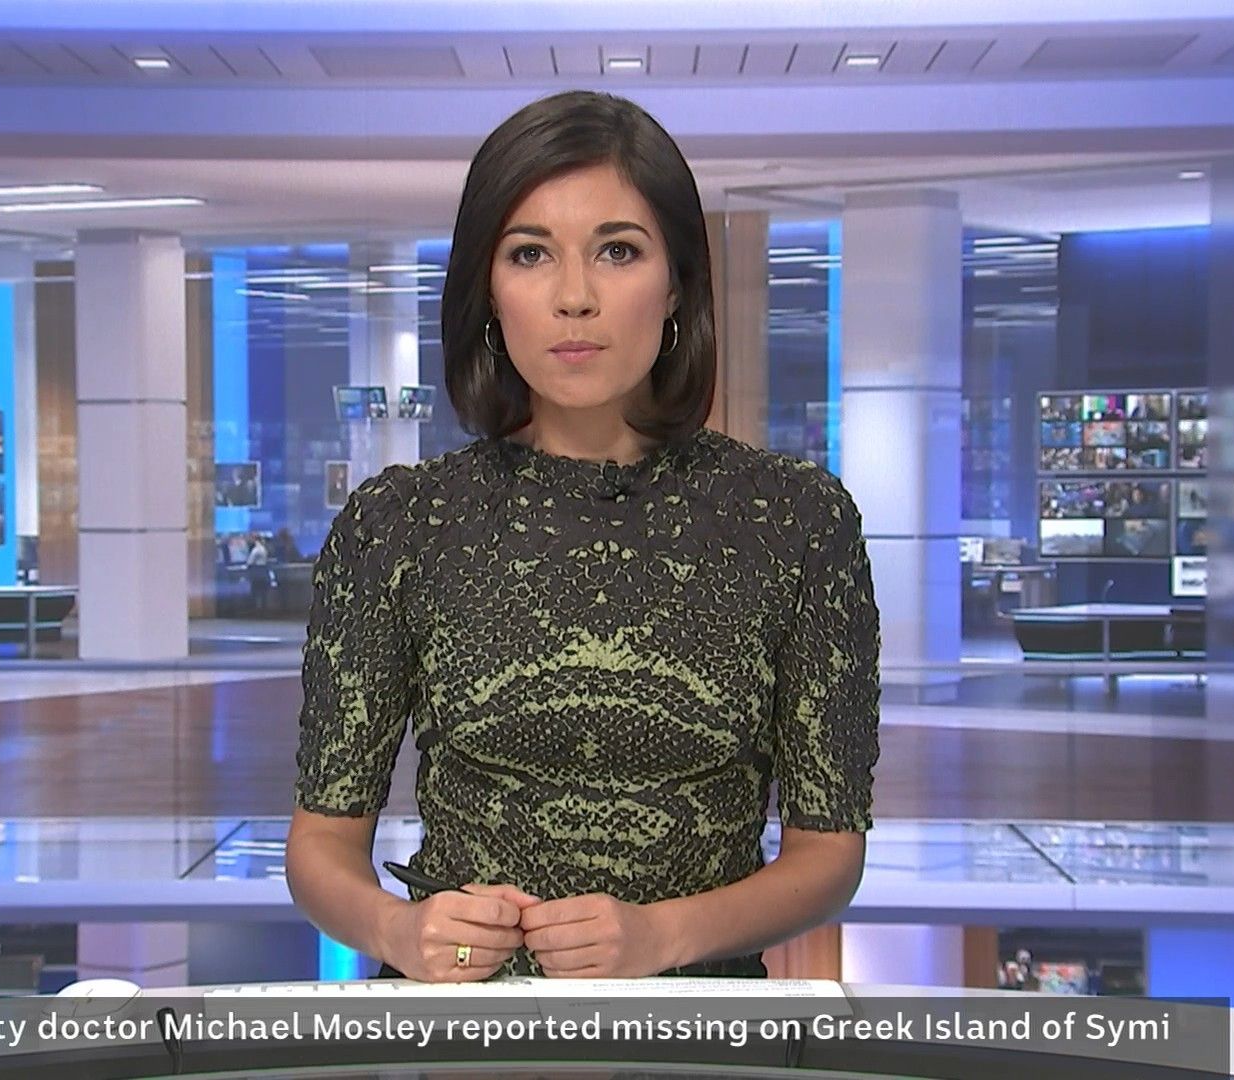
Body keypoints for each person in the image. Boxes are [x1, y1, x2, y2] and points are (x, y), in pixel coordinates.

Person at [285, 90, 879, 983]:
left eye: (617, 251)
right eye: (530, 254)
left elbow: (829, 855)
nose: (574, 298)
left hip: (697, 1028)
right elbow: (320, 847)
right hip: (463, 1025)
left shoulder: (797, 520)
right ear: (487, 290)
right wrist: (398, 931)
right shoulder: (398, 526)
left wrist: (662, 936)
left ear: (676, 283)